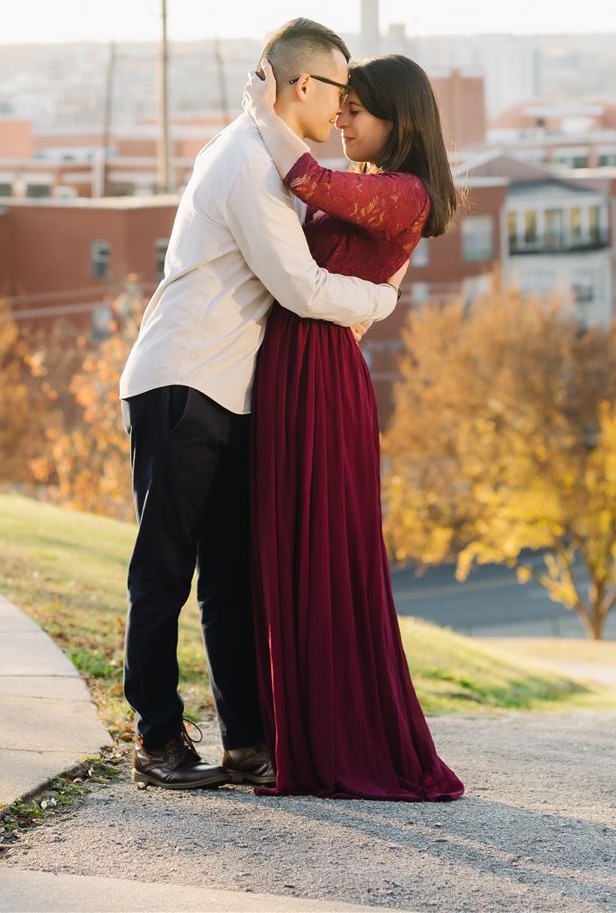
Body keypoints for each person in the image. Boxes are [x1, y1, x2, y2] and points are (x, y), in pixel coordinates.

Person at [118, 17, 409, 791]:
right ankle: (155, 738)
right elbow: (300, 288)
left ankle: (246, 741)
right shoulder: (248, 162)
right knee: (164, 571)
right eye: (340, 90)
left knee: (230, 579)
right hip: (181, 383)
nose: (344, 109)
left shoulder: (261, 151)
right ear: (305, 85)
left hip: (227, 390)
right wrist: (380, 298)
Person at [242, 51, 465, 802]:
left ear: (398, 123)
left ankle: (337, 741)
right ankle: (299, 736)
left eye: (355, 112)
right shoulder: (373, 189)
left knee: (324, 552)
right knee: (290, 549)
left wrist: (263, 109)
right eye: (340, 107)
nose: (340, 120)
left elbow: (304, 180)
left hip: (321, 377)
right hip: (291, 366)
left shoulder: (401, 193)